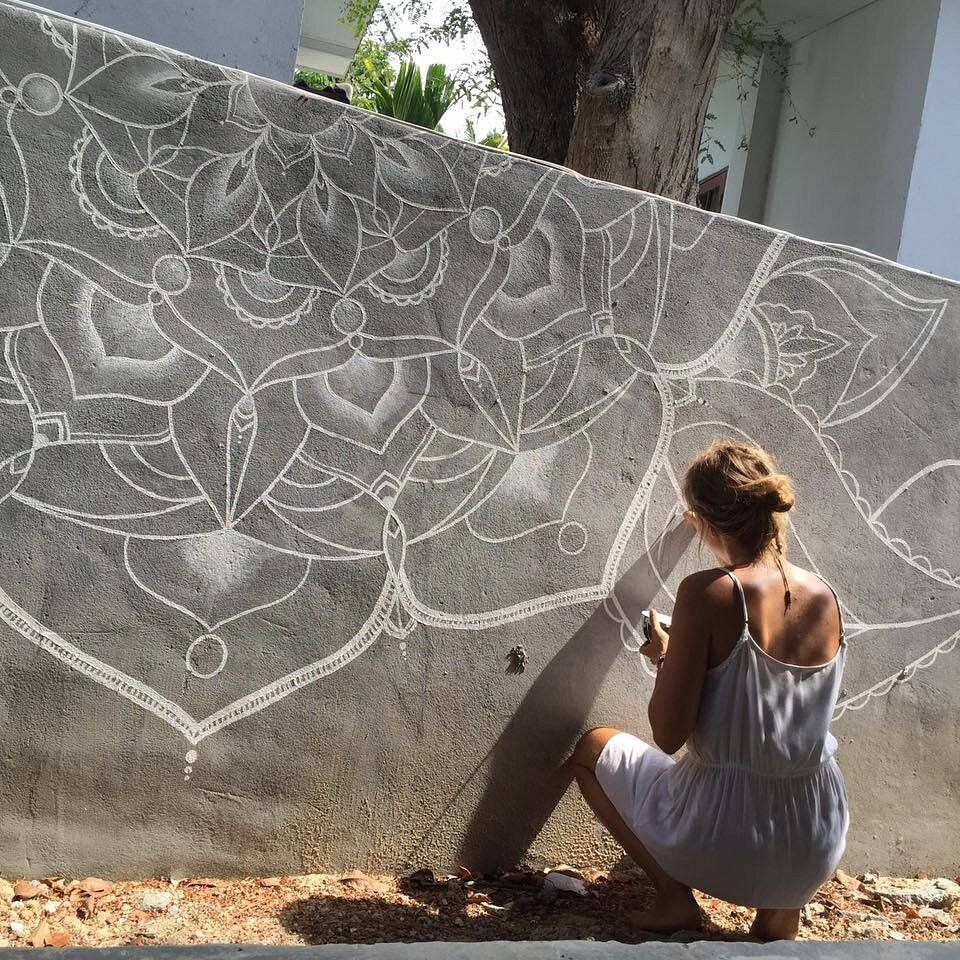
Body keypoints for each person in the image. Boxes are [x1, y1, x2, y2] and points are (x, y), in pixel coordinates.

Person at [572, 440, 849, 941]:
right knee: (783, 783)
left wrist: (666, 657)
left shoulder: (707, 592)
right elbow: (769, 699)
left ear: (700, 521)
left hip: (721, 838)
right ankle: (779, 918)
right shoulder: (825, 596)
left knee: (593, 748)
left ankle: (674, 900)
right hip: (815, 839)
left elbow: (669, 734)